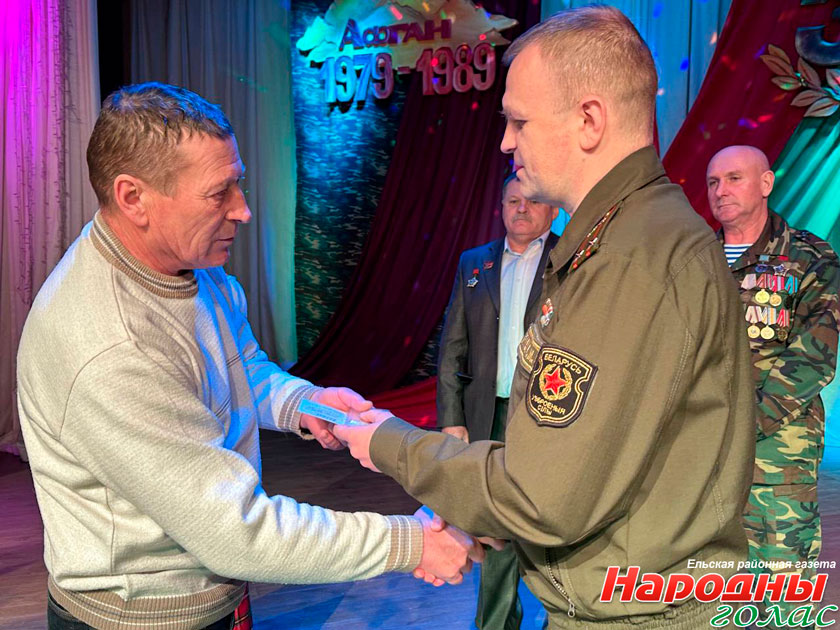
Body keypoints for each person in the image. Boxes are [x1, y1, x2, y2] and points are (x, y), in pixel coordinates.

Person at [334, 6, 755, 628]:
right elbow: (588, 467)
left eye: (519, 121)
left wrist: (389, 443)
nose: (506, 142)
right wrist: (489, 512)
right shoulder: (624, 239)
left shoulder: (630, 259)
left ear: (589, 120)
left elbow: (541, 496)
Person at [16, 82, 482, 630]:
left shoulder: (191, 263)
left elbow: (237, 367)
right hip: (139, 618)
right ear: (133, 198)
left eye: (238, 183)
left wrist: (303, 403)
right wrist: (411, 543)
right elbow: (236, 533)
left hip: (214, 595)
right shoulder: (111, 344)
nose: (244, 210)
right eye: (219, 193)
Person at [706, 145, 840, 625]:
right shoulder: (693, 258)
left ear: (766, 183)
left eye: (734, 178)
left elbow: (815, 353)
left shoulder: (809, 257)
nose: (721, 190)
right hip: (701, 459)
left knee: (783, 594)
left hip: (777, 460)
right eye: (713, 182)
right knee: (715, 594)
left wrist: (745, 423)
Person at [437, 172, 558, 630]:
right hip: (489, 414)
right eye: (512, 201)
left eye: (531, 201)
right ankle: (495, 624)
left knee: (550, 523)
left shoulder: (571, 259)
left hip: (548, 418)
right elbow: (453, 345)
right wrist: (452, 418)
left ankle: (562, 619)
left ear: (552, 210)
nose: (521, 209)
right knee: (495, 528)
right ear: (501, 207)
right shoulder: (475, 263)